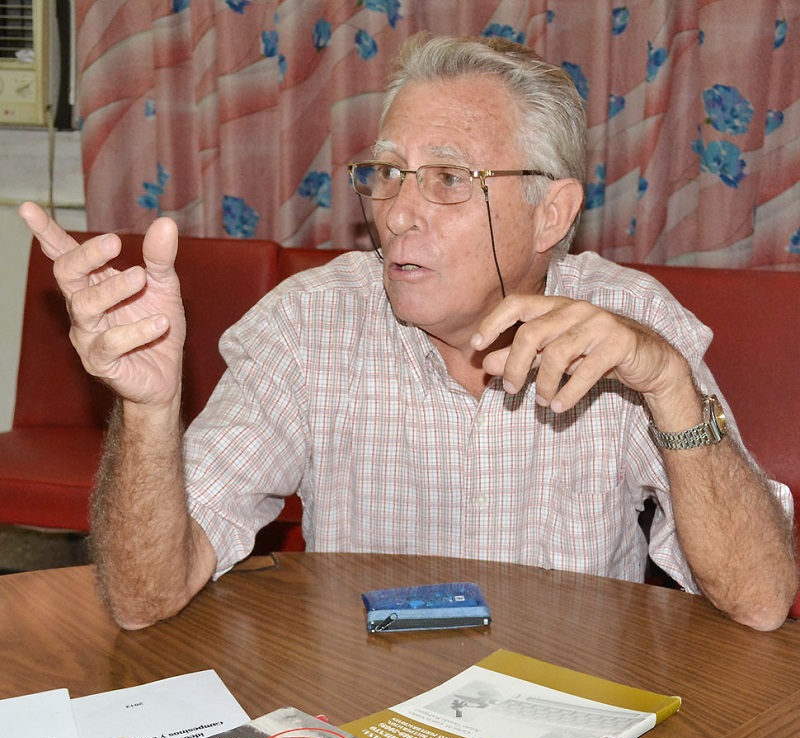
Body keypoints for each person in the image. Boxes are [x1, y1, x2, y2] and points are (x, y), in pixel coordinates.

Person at [19, 34, 797, 632]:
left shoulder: (632, 326)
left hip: (574, 721)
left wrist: (670, 389)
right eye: (386, 173)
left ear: (551, 213)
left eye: (450, 180)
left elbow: (762, 602)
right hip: (361, 733)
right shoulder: (310, 325)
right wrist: (150, 413)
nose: (398, 212)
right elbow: (143, 599)